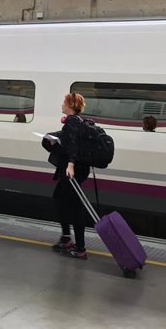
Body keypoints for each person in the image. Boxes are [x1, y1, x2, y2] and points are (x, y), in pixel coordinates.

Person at [49, 92, 91, 260]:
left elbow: (73, 145)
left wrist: (71, 165)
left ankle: (80, 248)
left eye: (64, 102)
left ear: (70, 105)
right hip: (74, 169)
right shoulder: (76, 122)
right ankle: (66, 237)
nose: (61, 105)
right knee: (59, 198)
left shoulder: (72, 121)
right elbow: (70, 140)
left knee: (74, 207)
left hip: (72, 170)